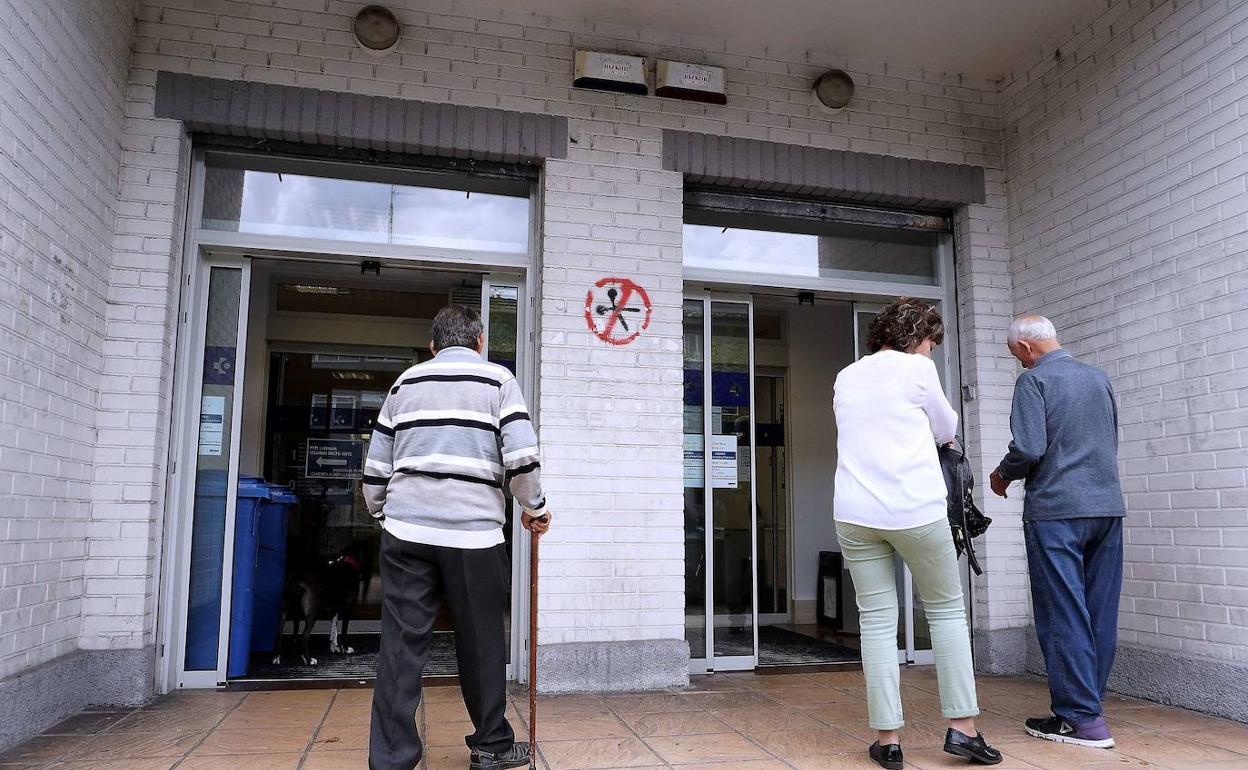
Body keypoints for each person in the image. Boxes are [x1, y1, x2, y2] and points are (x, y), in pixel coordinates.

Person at [363, 304, 550, 770]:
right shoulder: (498, 381)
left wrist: (385, 513)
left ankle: (391, 760)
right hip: (474, 537)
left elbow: (376, 467)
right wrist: (535, 508)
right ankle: (491, 747)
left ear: (433, 345)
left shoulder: (404, 383)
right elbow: (522, 457)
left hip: (406, 534)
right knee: (482, 642)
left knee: (401, 648)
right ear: (480, 340)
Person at [833, 298, 1001, 770]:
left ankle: (887, 739)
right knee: (947, 612)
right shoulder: (917, 371)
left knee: (877, 621)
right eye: (930, 342)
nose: (930, 351)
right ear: (914, 337)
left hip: (855, 512)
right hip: (916, 512)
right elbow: (948, 427)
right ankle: (963, 730)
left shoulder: (847, 375)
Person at [989, 315, 1124, 749]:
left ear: (1027, 348)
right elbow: (1109, 439)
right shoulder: (1097, 378)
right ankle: (1089, 706)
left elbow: (1029, 447)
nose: (1021, 365)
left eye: (1018, 358)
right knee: (1098, 611)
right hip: (1105, 508)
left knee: (1061, 611)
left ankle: (1081, 720)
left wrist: (1002, 476)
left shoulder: (1034, 383)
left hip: (1057, 513)